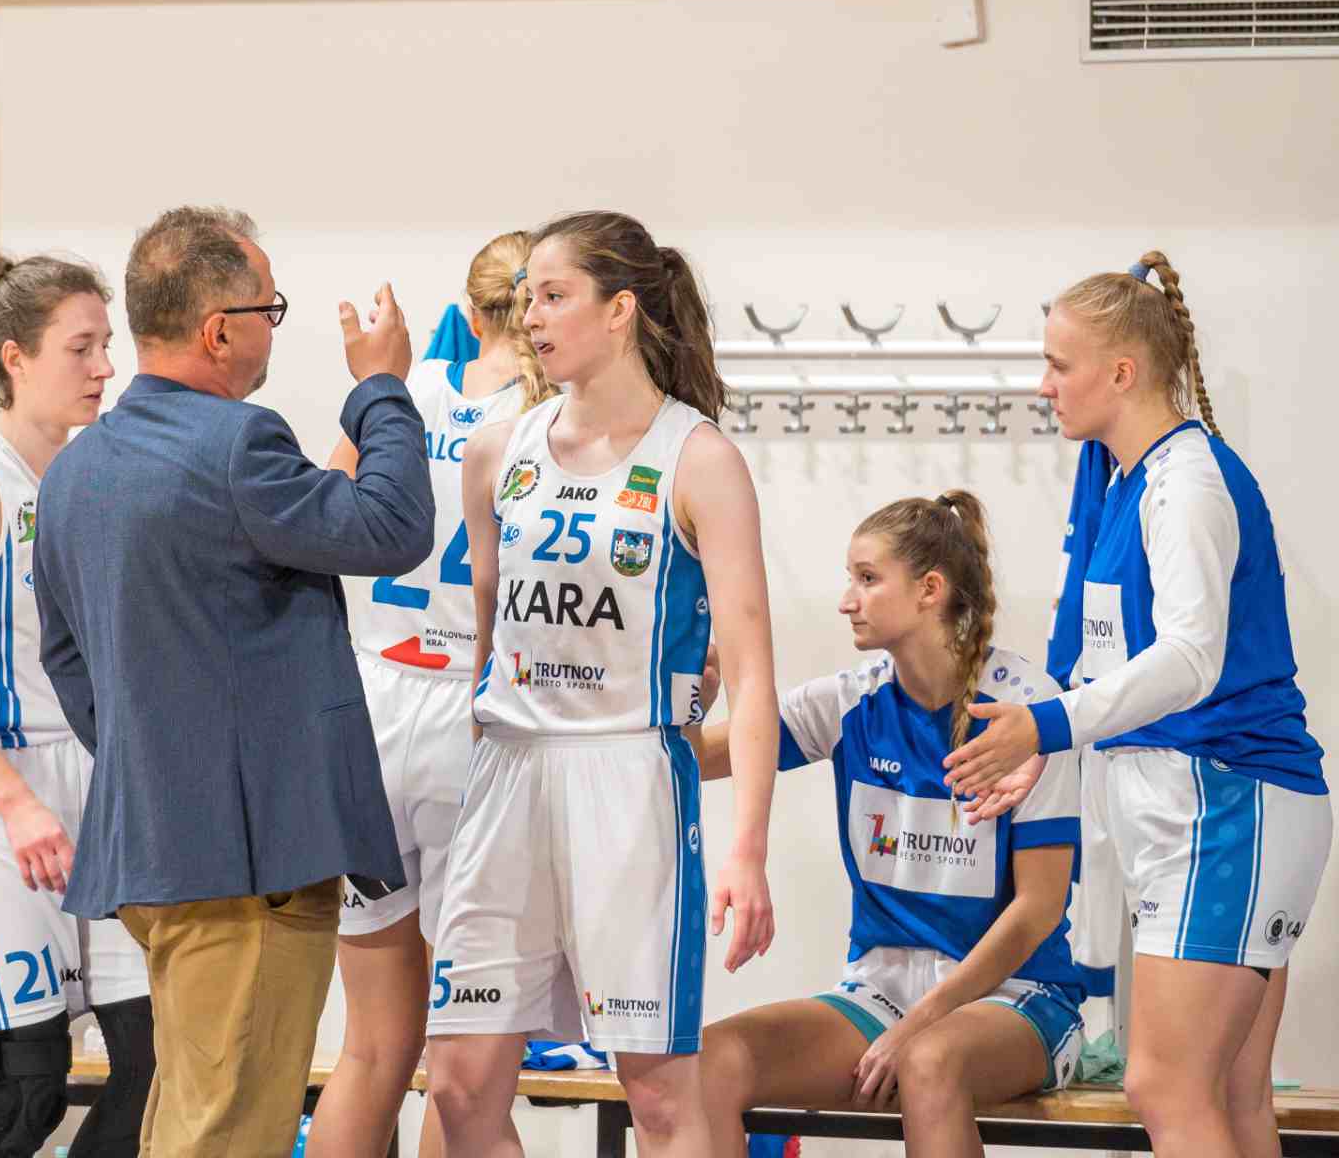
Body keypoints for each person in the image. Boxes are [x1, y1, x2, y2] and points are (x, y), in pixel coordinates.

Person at [32, 205, 432, 1156]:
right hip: (246, 869)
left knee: (190, 1118)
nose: (272, 329)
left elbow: (67, 662)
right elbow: (392, 529)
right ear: (219, 331)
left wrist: (159, 761)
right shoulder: (237, 445)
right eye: (269, 310)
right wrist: (381, 389)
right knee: (227, 1133)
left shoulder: (74, 470)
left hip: (160, 855)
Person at [943, 253, 1331, 1158]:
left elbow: (1191, 659)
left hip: (1229, 802)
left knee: (1165, 1085)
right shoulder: (1120, 479)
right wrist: (1051, 749)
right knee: (1230, 1098)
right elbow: (1112, 660)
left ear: (1122, 373)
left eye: (1058, 365)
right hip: (1191, 807)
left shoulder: (1185, 484)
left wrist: (1043, 725)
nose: (1043, 386)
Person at [424, 210, 778, 1157]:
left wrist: (747, 849)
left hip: (628, 778)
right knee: (458, 1087)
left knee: (657, 1100)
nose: (532, 316)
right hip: (509, 770)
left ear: (620, 310)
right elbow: (487, 641)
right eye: (526, 297)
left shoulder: (699, 458)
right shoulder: (496, 451)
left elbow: (752, 677)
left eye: (555, 295)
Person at [696, 491, 1085, 1157]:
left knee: (929, 1063)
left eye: (867, 579)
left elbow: (1038, 909)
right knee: (711, 1062)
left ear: (930, 590)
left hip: (1019, 995)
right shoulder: (850, 700)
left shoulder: (1026, 709)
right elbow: (697, 757)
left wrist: (921, 1024)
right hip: (880, 994)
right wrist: (690, 700)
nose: (846, 600)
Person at [311, 231, 559, 1158]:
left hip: (371, 706)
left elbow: (318, 511)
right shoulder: (546, 414)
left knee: (370, 1047)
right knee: (464, 1067)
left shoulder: (405, 392)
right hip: (474, 713)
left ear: (466, 309)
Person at [0, 254, 153, 1158]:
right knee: (25, 1089)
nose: (105, 367)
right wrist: (16, 803)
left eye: (107, 345)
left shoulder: (98, 469)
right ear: (15, 357)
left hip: (96, 780)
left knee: (155, 1064)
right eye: (80, 348)